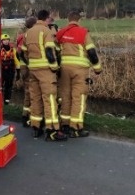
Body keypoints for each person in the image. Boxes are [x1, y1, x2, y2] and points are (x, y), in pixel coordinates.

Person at [55, 8, 101, 137]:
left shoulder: (61, 33)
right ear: (79, 20)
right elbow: (92, 52)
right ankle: (75, 128)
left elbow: (55, 51)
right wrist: (97, 68)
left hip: (64, 69)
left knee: (65, 97)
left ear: (68, 20)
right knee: (78, 98)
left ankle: (64, 125)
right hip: (80, 70)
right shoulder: (83, 33)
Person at [23, 9, 66, 140]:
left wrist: (31, 63)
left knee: (35, 99)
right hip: (45, 70)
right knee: (50, 100)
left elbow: (23, 53)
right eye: (50, 19)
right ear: (47, 19)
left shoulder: (28, 32)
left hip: (33, 69)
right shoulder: (46, 31)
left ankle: (36, 127)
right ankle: (52, 130)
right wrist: (54, 68)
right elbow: (49, 51)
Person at [0, 34, 16, 102]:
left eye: (7, 40)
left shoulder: (12, 49)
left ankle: (7, 99)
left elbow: (16, 58)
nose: (6, 41)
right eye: (4, 40)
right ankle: (0, 98)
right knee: (1, 84)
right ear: (2, 41)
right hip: (2, 69)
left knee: (9, 85)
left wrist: (18, 68)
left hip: (10, 69)